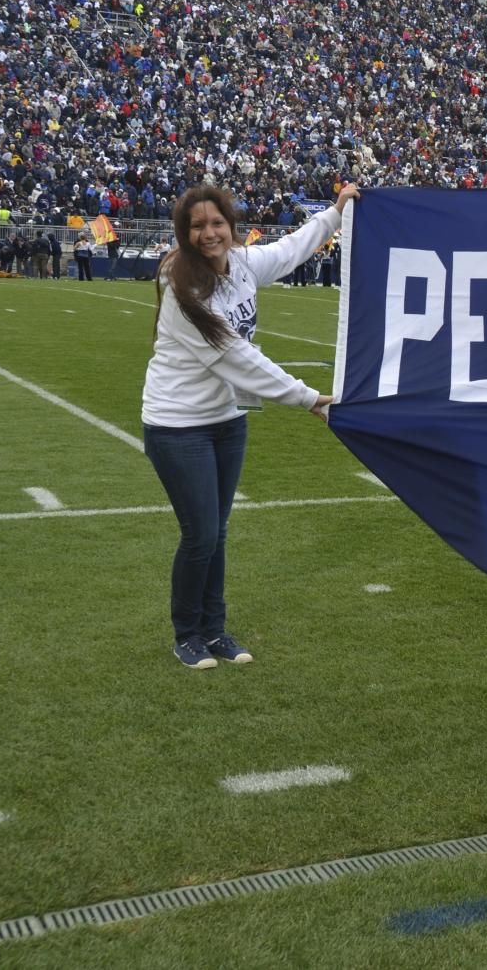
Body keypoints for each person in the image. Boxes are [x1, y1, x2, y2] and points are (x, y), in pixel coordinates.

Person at [141, 181, 360, 669]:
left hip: (227, 420)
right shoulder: (183, 289)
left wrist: (335, 213)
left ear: (231, 226)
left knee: (216, 533)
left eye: (217, 223)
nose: (209, 233)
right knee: (200, 534)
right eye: (197, 226)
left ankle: (214, 629)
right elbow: (237, 357)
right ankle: (187, 634)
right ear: (183, 233)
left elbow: (288, 251)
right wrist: (308, 398)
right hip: (178, 424)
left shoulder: (240, 264)